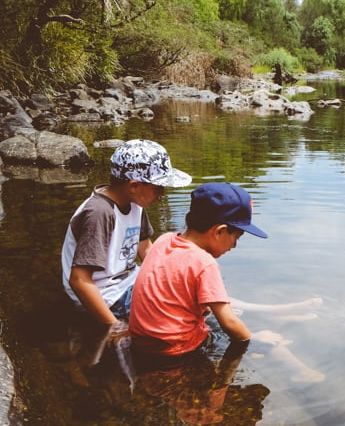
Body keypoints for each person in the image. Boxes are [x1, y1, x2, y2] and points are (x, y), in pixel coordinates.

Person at [61, 139, 192, 329]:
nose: (162, 193)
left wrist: (171, 280)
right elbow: (79, 280)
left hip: (128, 281)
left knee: (188, 292)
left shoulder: (135, 202)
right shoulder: (99, 213)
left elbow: (146, 248)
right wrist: (114, 327)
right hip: (105, 294)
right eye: (158, 187)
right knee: (177, 317)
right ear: (134, 186)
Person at [128, 182, 268, 358]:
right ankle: (301, 373)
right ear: (219, 231)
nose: (234, 246)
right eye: (236, 238)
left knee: (212, 313)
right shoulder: (204, 263)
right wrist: (254, 339)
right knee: (266, 343)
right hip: (177, 349)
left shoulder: (165, 240)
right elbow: (230, 323)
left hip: (142, 342)